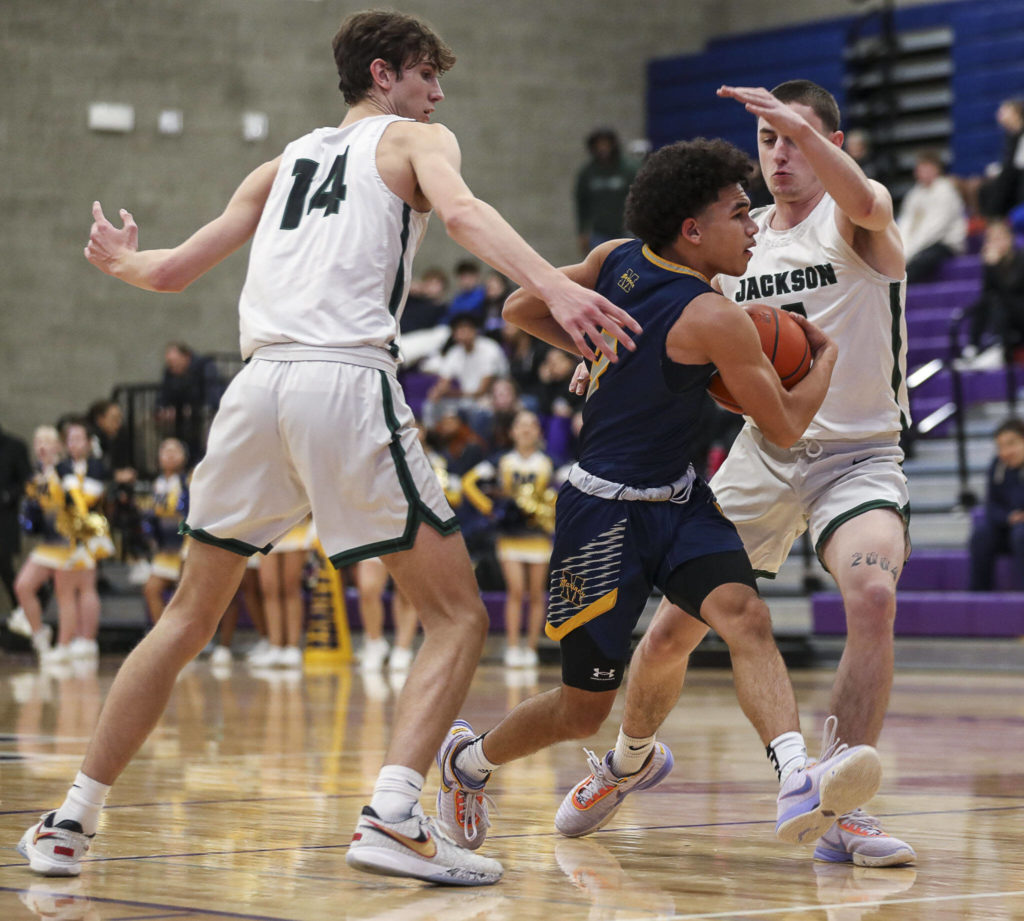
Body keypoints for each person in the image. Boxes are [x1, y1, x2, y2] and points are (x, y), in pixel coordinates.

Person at [17, 9, 639, 887]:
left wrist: (121, 259)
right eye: (428, 75)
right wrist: (554, 289)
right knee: (459, 615)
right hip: (343, 380)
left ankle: (72, 817)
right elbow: (463, 214)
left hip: (255, 388)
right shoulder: (416, 142)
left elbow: (168, 272)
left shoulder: (281, 164)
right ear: (384, 75)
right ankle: (393, 813)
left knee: (186, 617)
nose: (439, 92)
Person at [434, 136, 884, 860]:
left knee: (746, 616)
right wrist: (824, 358)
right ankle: (468, 763)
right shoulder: (710, 314)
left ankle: (797, 776)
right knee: (582, 710)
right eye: (740, 215)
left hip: (676, 500)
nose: (754, 227)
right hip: (600, 514)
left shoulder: (616, 260)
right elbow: (787, 423)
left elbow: (522, 304)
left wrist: (594, 339)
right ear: (692, 230)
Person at [569, 81, 915, 868]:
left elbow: (861, 193)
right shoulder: (741, 241)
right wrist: (601, 358)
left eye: (797, 137)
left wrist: (805, 128)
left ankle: (841, 805)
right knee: (666, 635)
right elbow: (669, 318)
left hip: (858, 456)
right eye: (770, 142)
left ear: (830, 140)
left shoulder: (858, 220)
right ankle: (626, 760)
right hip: (763, 454)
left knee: (873, 592)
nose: (781, 153)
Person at [462, 409, 557, 667]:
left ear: (538, 431)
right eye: (521, 425)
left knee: (537, 593)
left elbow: (569, 488)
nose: (526, 430)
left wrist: (550, 512)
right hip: (510, 536)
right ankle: (513, 647)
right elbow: (468, 482)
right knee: (516, 590)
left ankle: (532, 648)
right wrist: (489, 509)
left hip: (537, 536)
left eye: (531, 425)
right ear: (513, 431)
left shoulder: (549, 462)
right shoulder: (500, 460)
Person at [968, 418, 1024, 591]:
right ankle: (978, 597)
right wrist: (1009, 517)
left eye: (1011, 444)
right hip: (1007, 527)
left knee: (1021, 534)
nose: (1006, 451)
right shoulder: (996, 466)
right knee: (981, 535)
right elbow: (991, 506)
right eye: (1000, 447)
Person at [896, 150, 967, 284]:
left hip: (944, 243)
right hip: (915, 246)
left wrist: (911, 251)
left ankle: (898, 288)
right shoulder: (914, 194)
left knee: (921, 261)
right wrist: (903, 249)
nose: (923, 172)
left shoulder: (945, 190)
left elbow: (937, 228)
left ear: (937, 169)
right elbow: (905, 223)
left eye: (927, 168)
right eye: (921, 169)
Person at [962, 219, 1024, 363]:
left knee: (1000, 301)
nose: (995, 243)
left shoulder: (1021, 258)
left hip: (1020, 313)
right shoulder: (992, 262)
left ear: (1009, 238)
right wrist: (989, 267)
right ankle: (973, 346)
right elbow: (988, 292)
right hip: (1006, 316)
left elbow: (1011, 289)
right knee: (986, 301)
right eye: (991, 239)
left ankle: (997, 344)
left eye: (999, 238)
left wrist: (993, 267)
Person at [574, 128, 639, 256]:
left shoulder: (629, 169)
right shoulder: (588, 172)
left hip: (625, 230)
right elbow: (582, 203)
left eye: (606, 144)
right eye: (599, 145)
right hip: (599, 232)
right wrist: (582, 231)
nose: (602, 148)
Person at [0, 423, 32, 618]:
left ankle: (22, 611)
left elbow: (26, 482)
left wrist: (7, 496)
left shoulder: (15, 446)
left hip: (4, 518)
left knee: (5, 566)